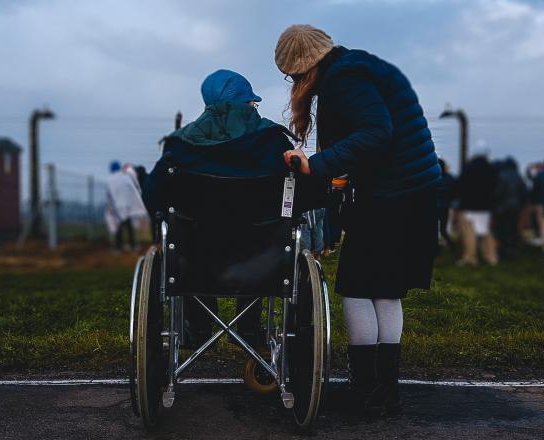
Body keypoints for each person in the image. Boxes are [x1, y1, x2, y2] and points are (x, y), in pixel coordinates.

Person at [275, 24, 441, 413]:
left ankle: (365, 389)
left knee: (356, 287)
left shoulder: (345, 78)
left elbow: (376, 131)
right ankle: (385, 390)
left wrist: (316, 164)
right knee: (384, 288)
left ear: (306, 67)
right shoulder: (359, 67)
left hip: (391, 195)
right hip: (412, 192)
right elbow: (378, 134)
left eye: (294, 75)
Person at [143, 69, 315, 348]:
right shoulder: (274, 142)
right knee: (262, 236)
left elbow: (153, 196)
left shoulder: (180, 145)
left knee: (190, 241)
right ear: (247, 103)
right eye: (253, 102)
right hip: (262, 260)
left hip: (194, 260)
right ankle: (247, 328)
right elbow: (301, 196)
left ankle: (197, 327)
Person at [455, 154, 499, 266]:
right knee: (485, 232)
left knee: (469, 233)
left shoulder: (468, 169)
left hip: (469, 206)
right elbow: (496, 187)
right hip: (485, 207)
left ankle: (470, 257)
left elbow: (460, 186)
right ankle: (491, 256)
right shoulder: (491, 170)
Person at [105, 161, 148, 252]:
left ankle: (118, 247)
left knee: (119, 228)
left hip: (117, 207)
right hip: (128, 206)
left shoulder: (109, 180)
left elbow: (109, 195)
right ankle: (133, 246)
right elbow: (134, 189)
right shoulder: (125, 177)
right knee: (129, 227)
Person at [493, 157, 527, 259]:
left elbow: (497, 193)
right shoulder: (518, 177)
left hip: (502, 208)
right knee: (513, 229)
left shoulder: (501, 176)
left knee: (502, 229)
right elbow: (524, 193)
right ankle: (513, 249)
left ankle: (503, 250)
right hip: (516, 208)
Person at [436, 158, 456, 251]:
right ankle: (452, 247)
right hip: (445, 207)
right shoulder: (450, 178)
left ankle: (436, 250)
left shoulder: (432, 178)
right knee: (443, 230)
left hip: (434, 207)